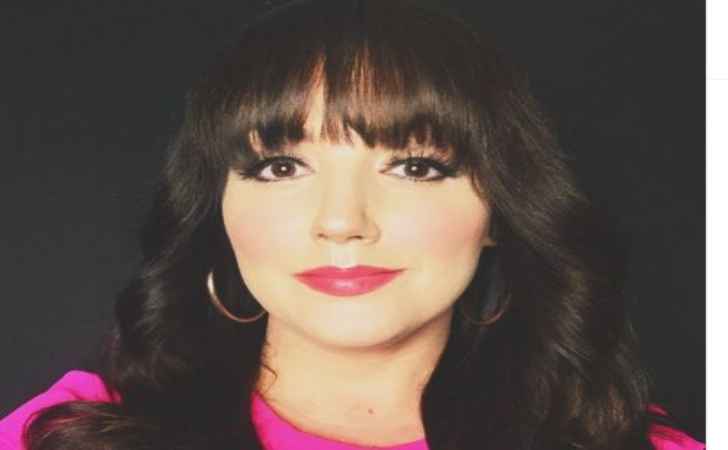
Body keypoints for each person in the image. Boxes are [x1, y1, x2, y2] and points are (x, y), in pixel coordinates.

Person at [0, 0, 705, 449]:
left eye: (415, 167)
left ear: (500, 208)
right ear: (217, 208)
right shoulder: (75, 435)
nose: (342, 222)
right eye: (281, 167)